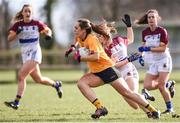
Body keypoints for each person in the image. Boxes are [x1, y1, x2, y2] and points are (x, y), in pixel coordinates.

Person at [65, 18, 160, 119]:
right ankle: (100, 108)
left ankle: (153, 111)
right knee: (81, 83)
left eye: (76, 28)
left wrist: (80, 58)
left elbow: (96, 57)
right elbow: (76, 41)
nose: (74, 30)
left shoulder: (91, 39)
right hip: (97, 72)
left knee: (128, 94)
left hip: (108, 70)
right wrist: (72, 48)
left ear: (83, 30)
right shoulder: (80, 37)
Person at [4, 4, 63, 110]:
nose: (27, 13)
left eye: (29, 11)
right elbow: (9, 38)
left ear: (32, 13)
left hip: (35, 53)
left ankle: (16, 102)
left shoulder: (36, 24)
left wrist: (48, 34)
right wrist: (16, 33)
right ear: (22, 13)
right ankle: (56, 85)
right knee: (38, 79)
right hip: (25, 55)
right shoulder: (17, 25)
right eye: (25, 11)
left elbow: (48, 29)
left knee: (21, 76)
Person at [96, 14, 153, 118]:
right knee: (134, 105)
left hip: (129, 71)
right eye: (98, 36)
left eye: (100, 36)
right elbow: (114, 65)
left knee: (133, 94)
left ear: (106, 35)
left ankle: (150, 113)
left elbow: (130, 40)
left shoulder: (118, 40)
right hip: (118, 77)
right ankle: (144, 96)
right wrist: (128, 59)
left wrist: (129, 26)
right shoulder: (103, 51)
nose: (98, 38)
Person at [135, 9, 175, 114]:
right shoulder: (145, 32)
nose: (151, 19)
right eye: (149, 17)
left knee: (161, 86)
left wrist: (148, 49)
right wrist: (141, 56)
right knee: (147, 86)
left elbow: (162, 49)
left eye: (153, 17)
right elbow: (143, 47)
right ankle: (168, 85)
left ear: (157, 19)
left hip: (164, 59)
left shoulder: (162, 31)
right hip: (154, 62)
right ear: (147, 20)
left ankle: (170, 109)